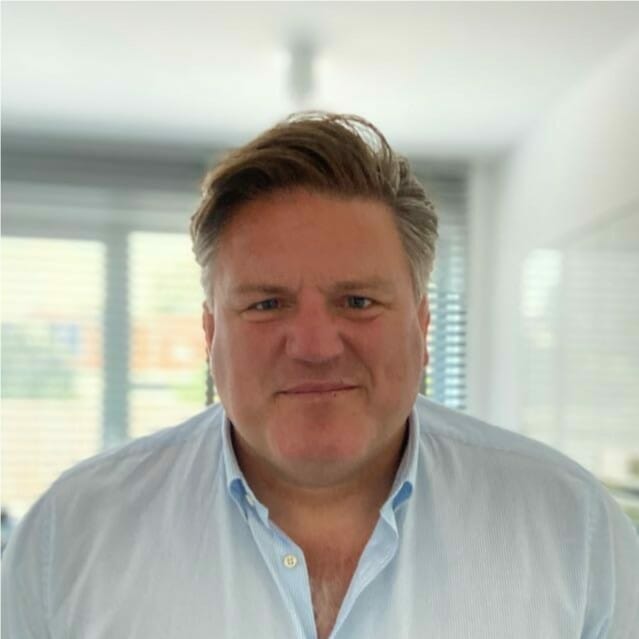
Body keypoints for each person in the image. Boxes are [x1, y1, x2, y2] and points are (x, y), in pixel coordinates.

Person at [2, 113, 638, 639]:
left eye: (358, 301)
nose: (313, 345)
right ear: (209, 334)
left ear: (421, 328)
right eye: (266, 303)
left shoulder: (573, 531)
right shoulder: (71, 536)